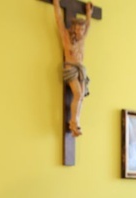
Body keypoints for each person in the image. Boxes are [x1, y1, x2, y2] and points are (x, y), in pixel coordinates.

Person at [53, 0, 93, 137]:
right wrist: (57, 4)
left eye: (82, 29)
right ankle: (74, 122)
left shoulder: (82, 39)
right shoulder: (66, 38)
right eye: (78, 28)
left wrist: (89, 13)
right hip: (71, 68)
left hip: (81, 69)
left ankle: (76, 122)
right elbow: (59, 19)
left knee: (81, 96)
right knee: (77, 93)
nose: (81, 31)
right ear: (74, 28)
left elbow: (89, 25)